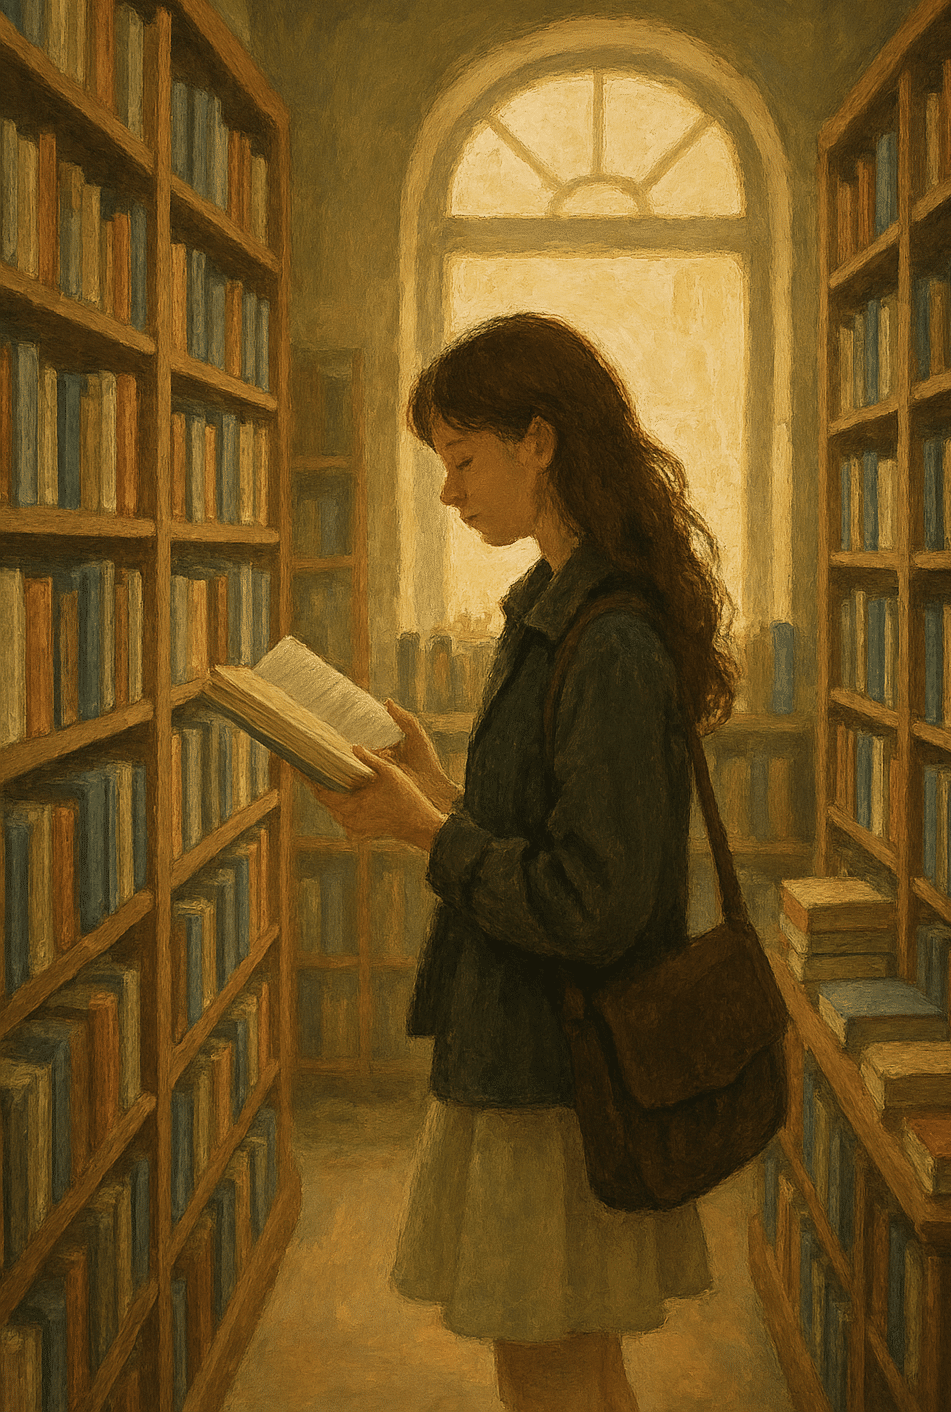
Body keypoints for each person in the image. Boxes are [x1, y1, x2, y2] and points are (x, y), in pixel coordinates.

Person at [309, 313, 738, 1412]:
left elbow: (587, 907)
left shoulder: (610, 639)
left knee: (550, 1377)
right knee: (579, 1371)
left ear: (537, 441)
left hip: (557, 1078)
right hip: (534, 1056)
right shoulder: (551, 609)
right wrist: (438, 791)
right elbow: (543, 845)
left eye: (462, 459)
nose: (449, 493)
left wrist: (419, 829)